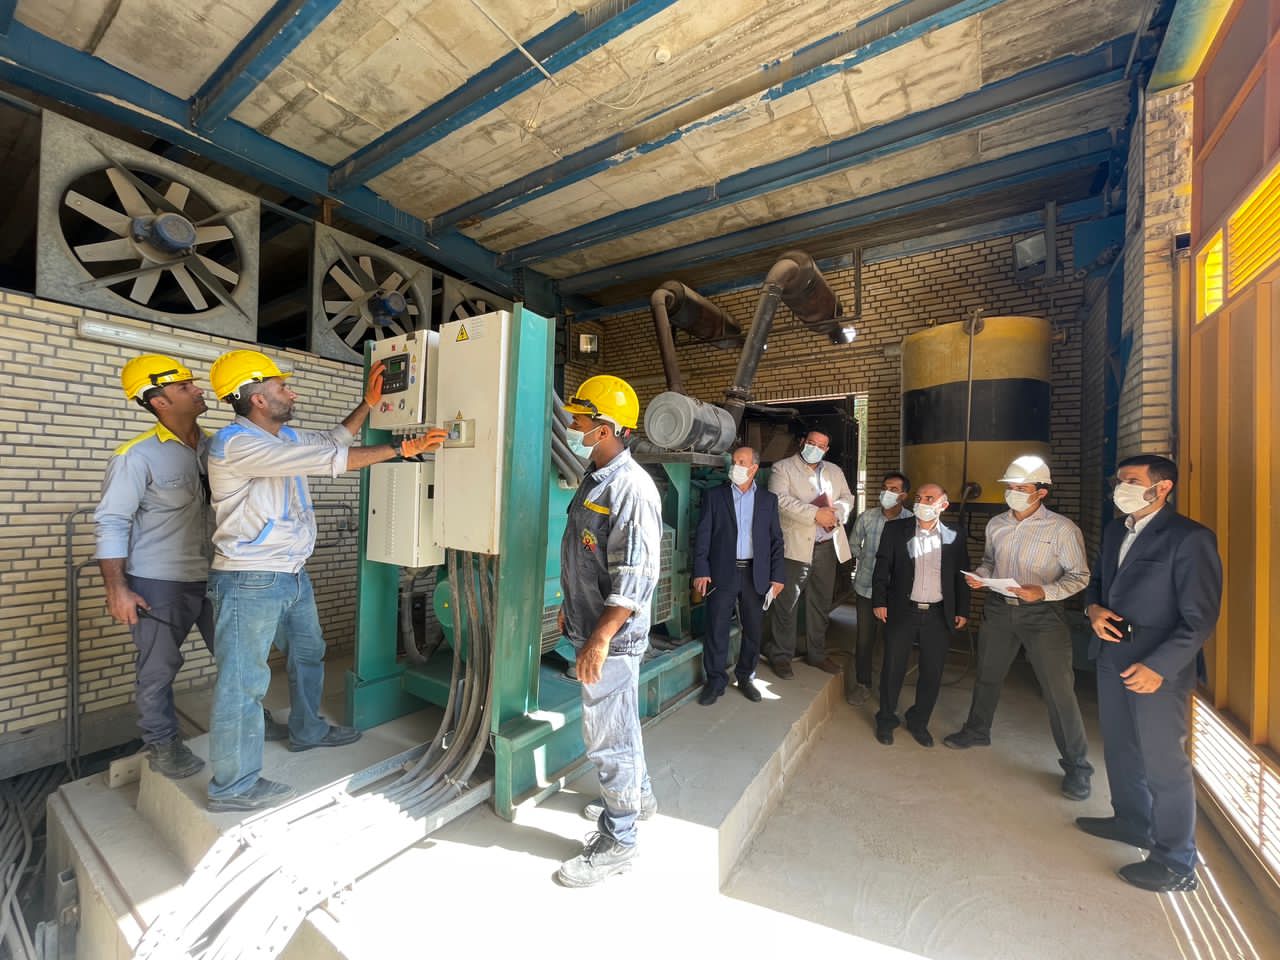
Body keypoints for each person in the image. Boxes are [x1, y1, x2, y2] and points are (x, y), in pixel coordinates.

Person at [204, 350, 444, 813]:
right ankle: (231, 786)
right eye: (281, 387)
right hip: (250, 577)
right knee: (243, 683)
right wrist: (402, 449)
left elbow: (334, 440)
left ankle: (307, 729)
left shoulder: (284, 435)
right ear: (257, 399)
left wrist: (369, 403)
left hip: (292, 572)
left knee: (308, 653)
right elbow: (326, 459)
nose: (291, 392)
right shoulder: (235, 443)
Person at [1078, 455, 1221, 893]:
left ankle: (1176, 862)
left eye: (1131, 481)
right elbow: (1098, 583)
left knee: (1164, 763)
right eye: (1119, 480)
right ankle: (1132, 820)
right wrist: (1092, 609)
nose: (1120, 488)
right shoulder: (1114, 530)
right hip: (1113, 655)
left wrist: (1159, 667)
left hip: (1158, 668)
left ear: (1162, 488)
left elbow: (1200, 618)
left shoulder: (1190, 538)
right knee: (1120, 746)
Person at [95, 355, 228, 779]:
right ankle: (163, 745)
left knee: (238, 657)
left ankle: (248, 721)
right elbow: (112, 522)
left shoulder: (219, 448)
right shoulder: (135, 456)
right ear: (159, 402)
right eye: (185, 386)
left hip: (217, 577)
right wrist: (117, 588)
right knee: (158, 670)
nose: (198, 389)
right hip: (158, 583)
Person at [556, 375, 662, 888]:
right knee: (620, 724)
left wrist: (599, 639)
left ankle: (619, 838)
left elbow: (635, 577)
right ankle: (638, 797)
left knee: (608, 737)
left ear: (604, 428)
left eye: (579, 417)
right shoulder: (595, 475)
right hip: (591, 621)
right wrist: (571, 608)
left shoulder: (630, 488)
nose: (572, 424)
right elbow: (585, 553)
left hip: (613, 637)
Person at [943, 456, 1093, 799]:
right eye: (1010, 487)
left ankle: (1077, 767)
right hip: (999, 609)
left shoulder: (1062, 529)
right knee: (988, 675)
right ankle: (977, 730)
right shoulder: (997, 524)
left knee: (1058, 691)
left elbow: (1080, 576)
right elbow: (989, 562)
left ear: (1041, 492)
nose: (1013, 493)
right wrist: (981, 576)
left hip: (1043, 616)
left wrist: (1043, 591)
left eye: (1021, 488)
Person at [870, 483, 968, 746]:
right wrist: (879, 601)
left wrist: (962, 609)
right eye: (919, 497)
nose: (922, 502)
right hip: (903, 610)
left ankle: (919, 721)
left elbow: (960, 574)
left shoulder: (955, 534)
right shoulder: (895, 530)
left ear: (943, 505)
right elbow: (882, 568)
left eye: (929, 498)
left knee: (932, 673)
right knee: (893, 668)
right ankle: (886, 719)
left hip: (938, 614)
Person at [691, 446, 785, 706]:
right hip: (722, 572)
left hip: (756, 574)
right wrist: (701, 570)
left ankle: (746, 677)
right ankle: (715, 680)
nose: (735, 466)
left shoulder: (767, 500)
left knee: (753, 630)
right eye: (734, 461)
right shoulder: (715, 496)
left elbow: (776, 540)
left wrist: (777, 576)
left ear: (754, 468)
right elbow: (703, 535)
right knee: (717, 627)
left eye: (742, 462)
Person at [765, 429, 854, 678]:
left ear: (826, 450)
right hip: (794, 549)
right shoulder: (782, 468)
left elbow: (847, 497)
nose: (815, 448)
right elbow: (779, 500)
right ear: (803, 442)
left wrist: (836, 513)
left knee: (820, 603)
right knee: (787, 603)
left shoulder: (834, 471)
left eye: (821, 445)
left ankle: (817, 654)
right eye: (811, 443)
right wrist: (815, 514)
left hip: (826, 547)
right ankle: (782, 655)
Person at [847, 472, 913, 704]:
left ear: (904, 495)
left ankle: (888, 686)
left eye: (894, 489)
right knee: (864, 639)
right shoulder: (867, 517)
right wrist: (867, 559)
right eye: (885, 488)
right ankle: (863, 683)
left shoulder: (911, 521)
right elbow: (853, 544)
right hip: (866, 588)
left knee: (892, 641)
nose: (887, 492)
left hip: (896, 593)